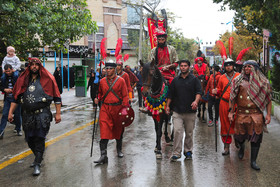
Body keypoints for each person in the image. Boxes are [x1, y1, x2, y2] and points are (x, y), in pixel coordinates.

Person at [8, 58, 61, 176]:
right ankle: (38, 157)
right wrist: (10, 112)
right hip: (27, 115)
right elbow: (15, 98)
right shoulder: (23, 80)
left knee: (39, 138)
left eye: (37, 65)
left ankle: (37, 163)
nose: (34, 67)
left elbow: (57, 98)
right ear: (29, 66)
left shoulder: (48, 79)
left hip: (42, 114)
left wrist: (58, 113)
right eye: (32, 65)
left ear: (40, 66)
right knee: (30, 139)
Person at [229, 60, 272, 170]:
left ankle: (253, 161)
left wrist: (268, 115)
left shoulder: (263, 82)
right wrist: (231, 112)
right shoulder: (237, 81)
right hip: (241, 114)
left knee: (256, 138)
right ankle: (241, 147)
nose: (246, 69)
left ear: (255, 69)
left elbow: (268, 99)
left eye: (249, 67)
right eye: (245, 67)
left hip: (256, 114)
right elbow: (232, 98)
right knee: (239, 137)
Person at [94, 60, 129, 164]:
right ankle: (103, 156)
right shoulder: (102, 81)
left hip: (117, 108)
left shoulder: (121, 81)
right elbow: (100, 94)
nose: (108, 70)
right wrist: (97, 98)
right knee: (104, 131)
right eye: (106, 68)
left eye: (110, 68)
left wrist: (125, 110)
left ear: (114, 69)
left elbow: (125, 96)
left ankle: (119, 150)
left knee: (118, 130)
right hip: (105, 108)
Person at [166, 60, 202, 161]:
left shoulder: (195, 80)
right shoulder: (175, 80)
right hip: (177, 111)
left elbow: (199, 92)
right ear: (179, 67)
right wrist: (168, 106)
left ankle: (188, 151)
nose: (183, 67)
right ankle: (176, 153)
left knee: (189, 133)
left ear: (189, 67)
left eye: (185, 66)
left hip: (190, 111)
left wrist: (196, 101)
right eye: (181, 66)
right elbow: (170, 95)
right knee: (177, 131)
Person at [212, 58, 240, 155]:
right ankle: (226, 147)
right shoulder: (221, 78)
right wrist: (216, 91)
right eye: (227, 65)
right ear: (225, 67)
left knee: (237, 122)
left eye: (230, 65)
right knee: (225, 124)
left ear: (233, 66)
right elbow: (219, 90)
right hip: (224, 103)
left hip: (236, 103)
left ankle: (238, 141)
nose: (228, 67)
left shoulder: (239, 76)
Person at [0, 64, 22, 139]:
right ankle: (1, 132)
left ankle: (18, 129)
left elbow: (20, 86)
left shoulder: (17, 76)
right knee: (5, 115)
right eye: (6, 71)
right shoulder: (3, 77)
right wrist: (4, 90)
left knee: (17, 115)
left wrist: (13, 91)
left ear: (12, 69)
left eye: (9, 71)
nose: (8, 73)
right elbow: (1, 86)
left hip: (16, 99)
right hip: (8, 99)